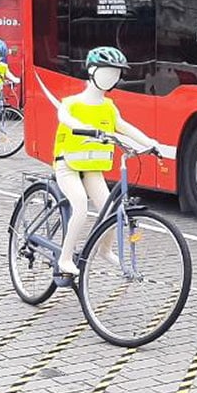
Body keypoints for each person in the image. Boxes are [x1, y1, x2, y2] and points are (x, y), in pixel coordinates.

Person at [52, 46, 161, 278]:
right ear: (92, 71)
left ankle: (105, 250)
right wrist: (83, 128)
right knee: (80, 205)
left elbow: (124, 127)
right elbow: (64, 116)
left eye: (116, 74)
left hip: (92, 168)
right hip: (67, 164)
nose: (112, 77)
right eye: (107, 72)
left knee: (112, 211)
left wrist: (150, 142)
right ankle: (65, 258)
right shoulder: (72, 102)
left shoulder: (108, 107)